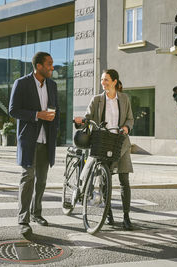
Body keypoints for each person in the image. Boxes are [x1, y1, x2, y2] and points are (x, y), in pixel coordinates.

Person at [74, 69, 135, 230]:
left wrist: (127, 127)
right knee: (105, 180)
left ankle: (126, 217)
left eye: (106, 79)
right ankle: (108, 214)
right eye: (102, 79)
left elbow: (130, 118)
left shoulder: (124, 99)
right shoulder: (97, 100)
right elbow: (87, 117)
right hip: (103, 142)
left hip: (121, 143)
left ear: (114, 81)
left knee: (124, 181)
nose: (103, 82)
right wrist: (81, 121)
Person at [9, 52, 59, 238]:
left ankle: (37, 212)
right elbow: (13, 110)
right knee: (28, 177)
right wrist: (37, 114)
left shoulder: (52, 85)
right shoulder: (21, 83)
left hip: (47, 140)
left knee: (42, 180)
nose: (52, 67)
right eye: (49, 64)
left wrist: (55, 127)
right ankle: (23, 220)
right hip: (29, 140)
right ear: (39, 66)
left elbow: (56, 111)